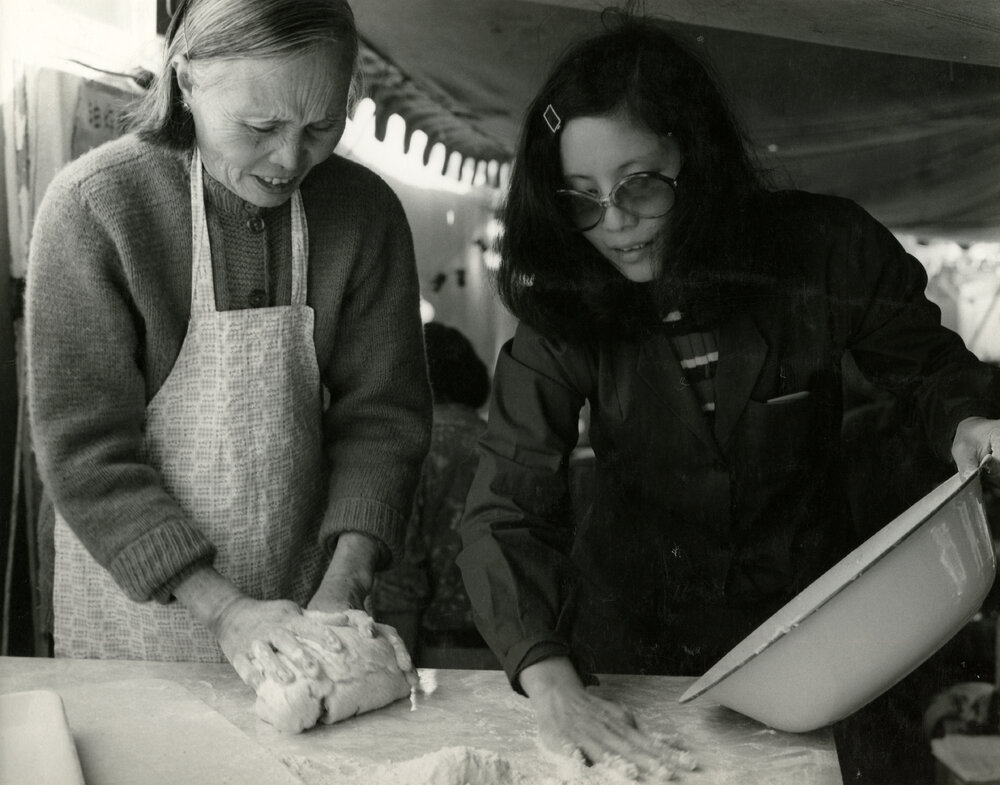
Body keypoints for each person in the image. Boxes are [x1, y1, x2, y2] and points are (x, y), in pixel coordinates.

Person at [457, 12, 1000, 782]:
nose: (614, 224)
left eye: (639, 185)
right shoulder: (570, 302)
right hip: (643, 653)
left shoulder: (824, 247)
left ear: (697, 157)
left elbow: (930, 368)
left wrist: (968, 419)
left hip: (826, 643)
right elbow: (502, 510)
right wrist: (547, 675)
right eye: (580, 198)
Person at [26, 0, 431, 689]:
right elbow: (86, 453)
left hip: (307, 612)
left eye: (322, 124)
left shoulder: (363, 215)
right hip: (134, 627)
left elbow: (383, 422)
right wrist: (226, 611)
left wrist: (340, 595)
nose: (291, 157)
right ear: (186, 82)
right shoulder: (97, 210)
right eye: (261, 126)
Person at [373, 322, 499, 670]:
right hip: (524, 655)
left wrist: (398, 670)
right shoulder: (504, 443)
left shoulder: (413, 450)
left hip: (440, 654)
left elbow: (400, 581)